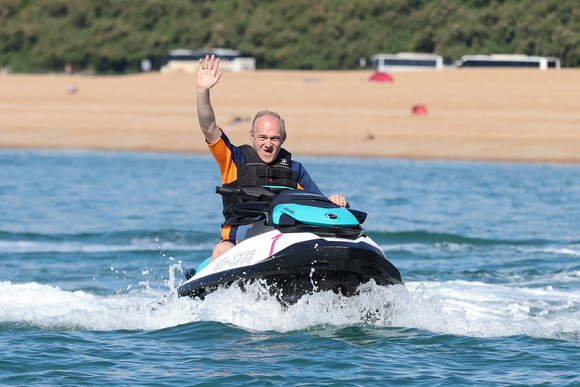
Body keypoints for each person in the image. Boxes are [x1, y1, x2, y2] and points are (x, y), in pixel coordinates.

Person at [197, 55, 348, 261]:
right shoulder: (234, 159)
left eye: (274, 138)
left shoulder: (294, 170)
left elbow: (319, 203)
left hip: (280, 240)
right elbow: (209, 127)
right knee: (220, 251)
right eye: (262, 138)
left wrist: (334, 202)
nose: (268, 144)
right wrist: (203, 91)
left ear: (283, 138)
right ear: (252, 137)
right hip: (239, 241)